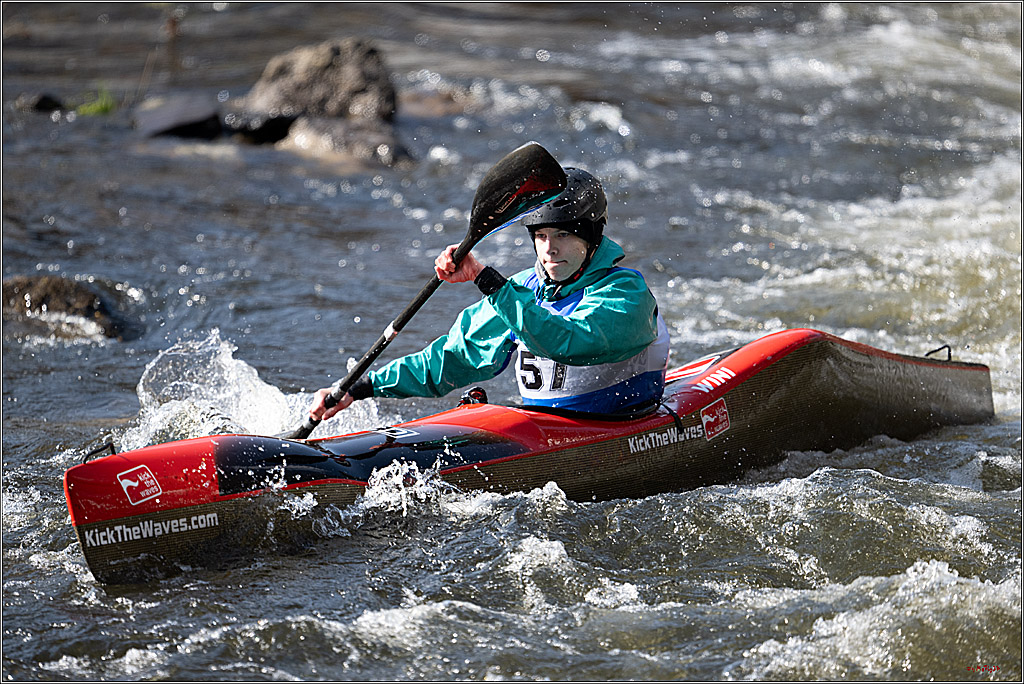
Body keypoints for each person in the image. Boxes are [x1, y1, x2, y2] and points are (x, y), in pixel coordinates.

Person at [308, 167, 670, 422]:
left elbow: (568, 341)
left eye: (563, 235)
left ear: (591, 237)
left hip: (623, 423)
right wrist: (362, 387)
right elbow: (451, 360)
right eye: (541, 236)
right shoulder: (523, 289)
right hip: (545, 429)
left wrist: (486, 280)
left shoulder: (625, 293)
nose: (549, 249)